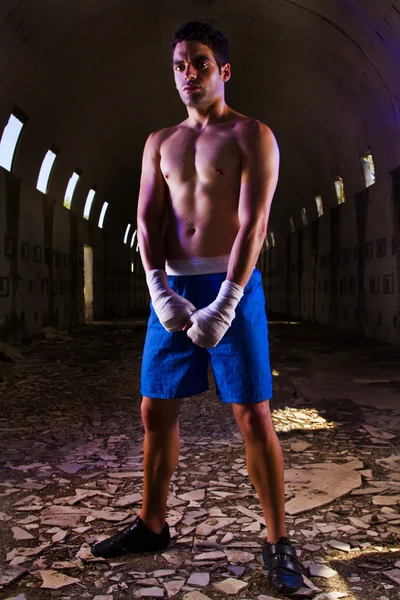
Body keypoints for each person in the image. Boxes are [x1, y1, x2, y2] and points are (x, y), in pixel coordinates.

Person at [91, 21, 303, 596]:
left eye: (200, 63)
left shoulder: (251, 134)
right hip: (174, 289)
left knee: (253, 413)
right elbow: (145, 219)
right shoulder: (159, 142)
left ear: (223, 70)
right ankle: (152, 524)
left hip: (232, 284)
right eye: (181, 64)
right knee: (154, 409)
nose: (189, 74)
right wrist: (160, 291)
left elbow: (254, 222)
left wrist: (228, 300)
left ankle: (278, 540)